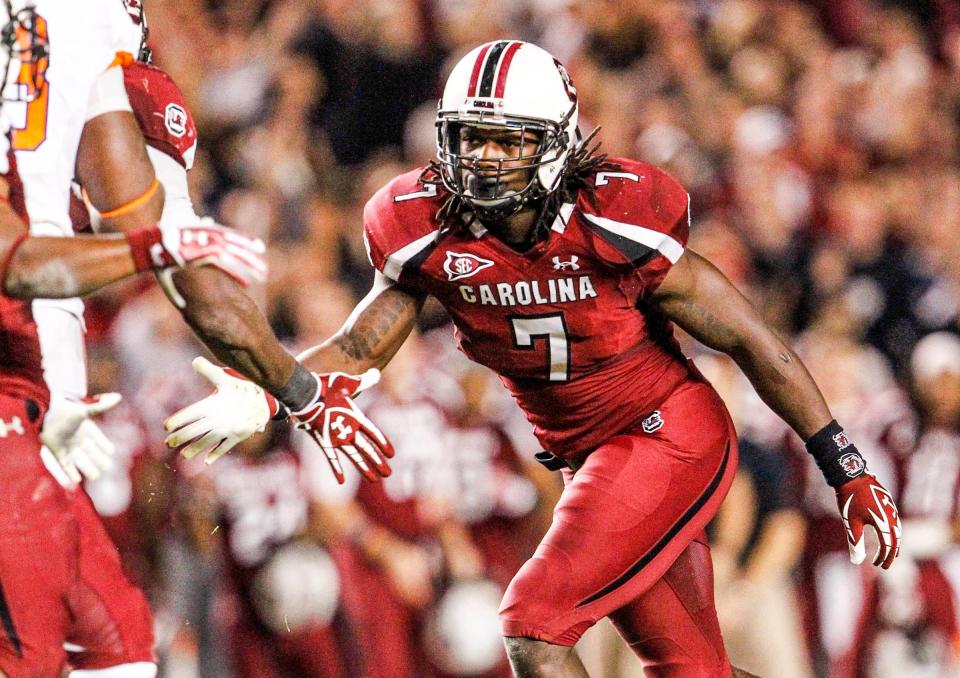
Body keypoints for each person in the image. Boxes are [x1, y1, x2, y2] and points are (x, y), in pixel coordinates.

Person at [168, 40, 902, 677]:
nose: (484, 157)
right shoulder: (427, 231)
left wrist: (844, 463)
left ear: (556, 140)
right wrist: (272, 391)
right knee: (692, 670)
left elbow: (749, 338)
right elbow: (361, 347)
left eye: (508, 139)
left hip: (665, 432)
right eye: (469, 137)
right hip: (589, 459)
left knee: (532, 621)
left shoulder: (614, 217)